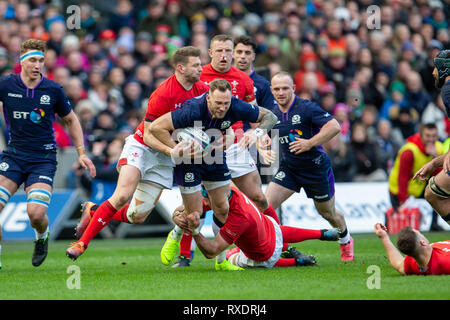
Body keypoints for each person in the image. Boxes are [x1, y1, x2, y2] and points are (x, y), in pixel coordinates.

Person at [65, 46, 208, 260]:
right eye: (196, 65)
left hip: (164, 159)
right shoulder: (163, 94)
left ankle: (93, 211)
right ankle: (81, 244)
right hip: (142, 147)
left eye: (200, 64)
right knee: (122, 195)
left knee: (136, 216)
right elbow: (150, 134)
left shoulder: (202, 90)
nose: (201, 69)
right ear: (180, 68)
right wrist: (172, 150)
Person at [166, 34, 288, 267]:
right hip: (203, 146)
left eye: (229, 51)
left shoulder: (243, 80)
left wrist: (259, 138)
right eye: (219, 50)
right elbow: (182, 108)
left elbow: (255, 117)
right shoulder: (198, 75)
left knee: (258, 197)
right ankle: (184, 252)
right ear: (210, 53)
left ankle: (279, 243)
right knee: (198, 204)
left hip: (235, 145)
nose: (225, 55)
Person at [150, 79, 277, 270]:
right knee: (194, 215)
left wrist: (256, 133)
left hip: (215, 156)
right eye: (218, 103)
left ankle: (221, 261)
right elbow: (155, 127)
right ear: (208, 98)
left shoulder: (235, 105)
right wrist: (175, 149)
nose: (223, 108)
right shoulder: (192, 110)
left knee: (223, 208)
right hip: (189, 161)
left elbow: (271, 117)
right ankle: (176, 233)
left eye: (226, 103)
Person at [0, 39, 96, 269]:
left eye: (41, 60)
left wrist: (81, 153)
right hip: (13, 156)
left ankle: (41, 236)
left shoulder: (52, 89)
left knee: (35, 213)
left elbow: (71, 119)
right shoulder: (5, 85)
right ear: (21, 61)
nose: (37, 64)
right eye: (32, 60)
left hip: (42, 159)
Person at [264, 71, 355, 261]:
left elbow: (334, 126)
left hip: (315, 168)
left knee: (327, 212)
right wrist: (263, 149)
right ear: (272, 90)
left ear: (293, 89)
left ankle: (345, 240)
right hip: (289, 168)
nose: (281, 92)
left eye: (285, 88)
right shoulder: (271, 113)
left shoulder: (306, 108)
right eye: (277, 89)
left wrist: (309, 143)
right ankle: (281, 247)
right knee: (265, 206)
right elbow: (261, 134)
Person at [172, 186, 340, 270]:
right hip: (269, 227)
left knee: (231, 256)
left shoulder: (239, 217)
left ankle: (296, 261)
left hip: (264, 254)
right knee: (277, 230)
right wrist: (176, 215)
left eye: (207, 201)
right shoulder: (229, 192)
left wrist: (194, 230)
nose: (205, 205)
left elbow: (211, 251)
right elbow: (184, 207)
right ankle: (321, 233)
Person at [413, 49, 450, 226]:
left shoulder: (448, 89)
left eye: (436, 68)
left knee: (433, 193)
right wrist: (433, 163)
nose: (433, 72)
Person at [388, 123, 444, 231]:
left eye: (434, 136)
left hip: (417, 186)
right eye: (428, 136)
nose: (431, 139)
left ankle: (434, 224)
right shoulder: (409, 151)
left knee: (438, 192)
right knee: (398, 224)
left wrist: (435, 158)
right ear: (421, 135)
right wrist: (403, 201)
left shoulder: (438, 148)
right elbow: (402, 179)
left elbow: (437, 177)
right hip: (398, 189)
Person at [374, 223, 450, 275]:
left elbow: (397, 263)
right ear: (423, 242)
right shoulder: (444, 263)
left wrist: (384, 237)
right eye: (420, 233)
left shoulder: (411, 263)